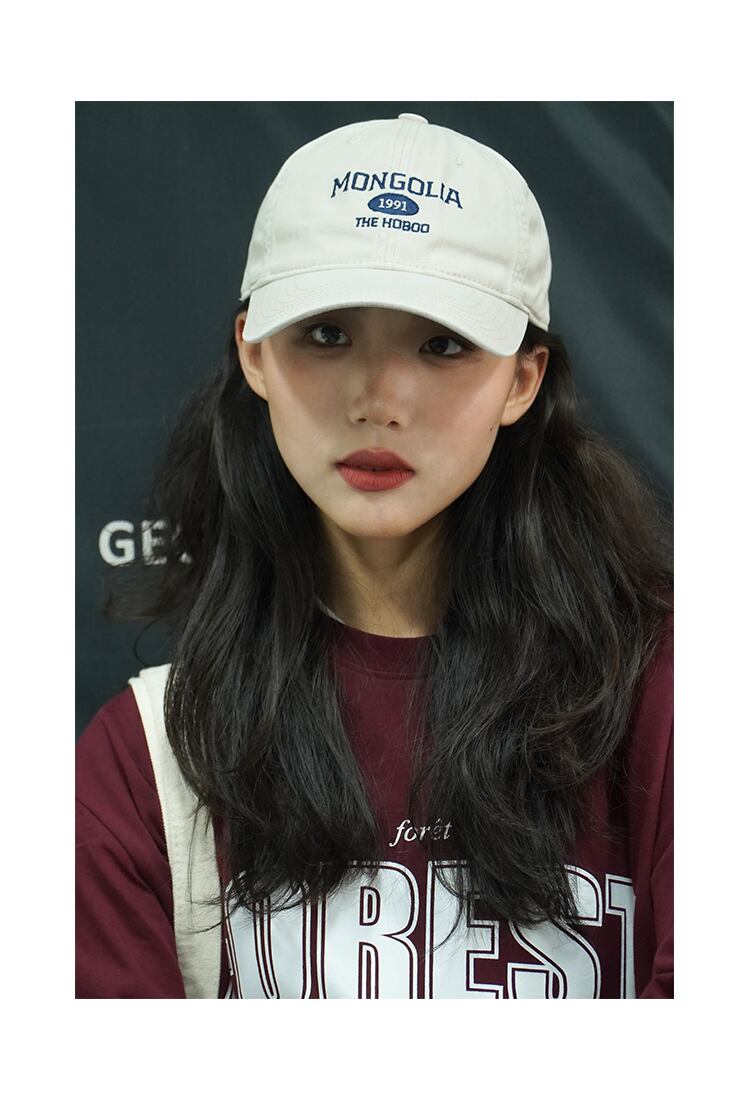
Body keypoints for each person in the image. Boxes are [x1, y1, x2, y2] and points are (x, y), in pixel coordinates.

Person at [76, 112, 673, 999]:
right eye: (327, 334)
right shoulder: (148, 759)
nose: (379, 400)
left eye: (442, 344)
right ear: (254, 353)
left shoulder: (665, 685)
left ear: (523, 380)